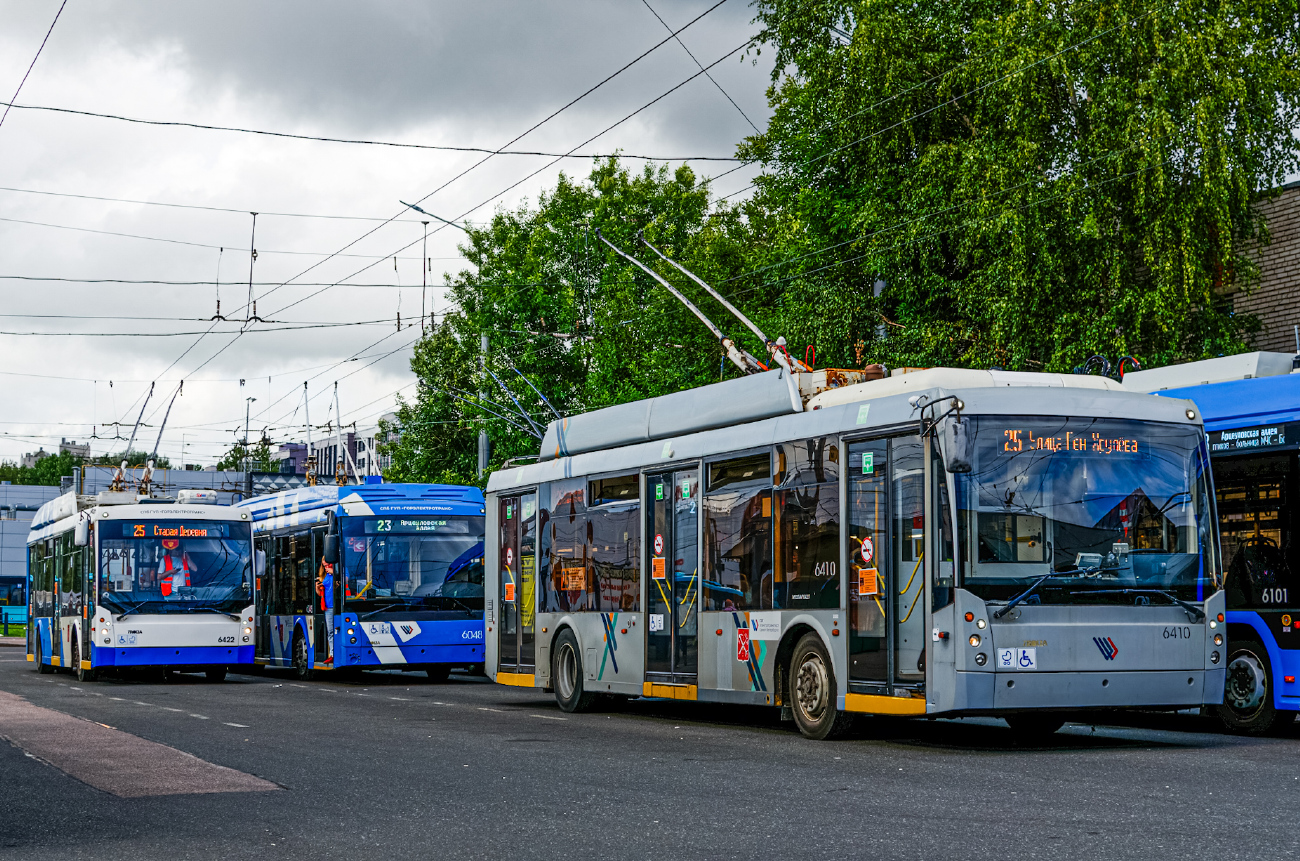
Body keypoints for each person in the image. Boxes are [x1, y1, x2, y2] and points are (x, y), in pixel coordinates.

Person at [316, 558, 335, 665]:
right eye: (324, 566)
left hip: (339, 605)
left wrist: (335, 573)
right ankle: (332, 654)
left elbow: (346, 580)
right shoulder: (325, 575)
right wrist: (318, 588)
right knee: (331, 631)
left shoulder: (339, 570)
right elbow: (321, 593)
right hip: (328, 607)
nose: (326, 568)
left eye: (328, 565)